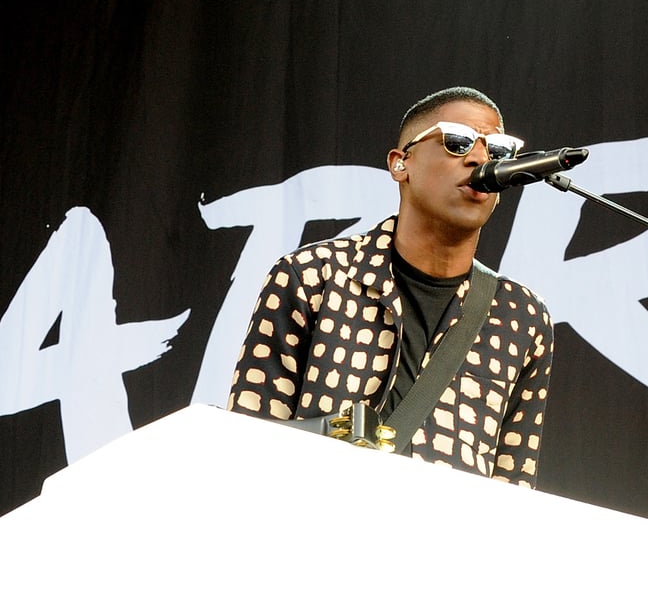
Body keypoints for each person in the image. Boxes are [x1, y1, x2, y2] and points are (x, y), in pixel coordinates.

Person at [226, 87, 553, 487]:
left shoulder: (522, 316)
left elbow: (514, 485)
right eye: (457, 141)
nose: (479, 158)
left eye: (498, 150)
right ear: (401, 164)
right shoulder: (312, 276)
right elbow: (246, 444)